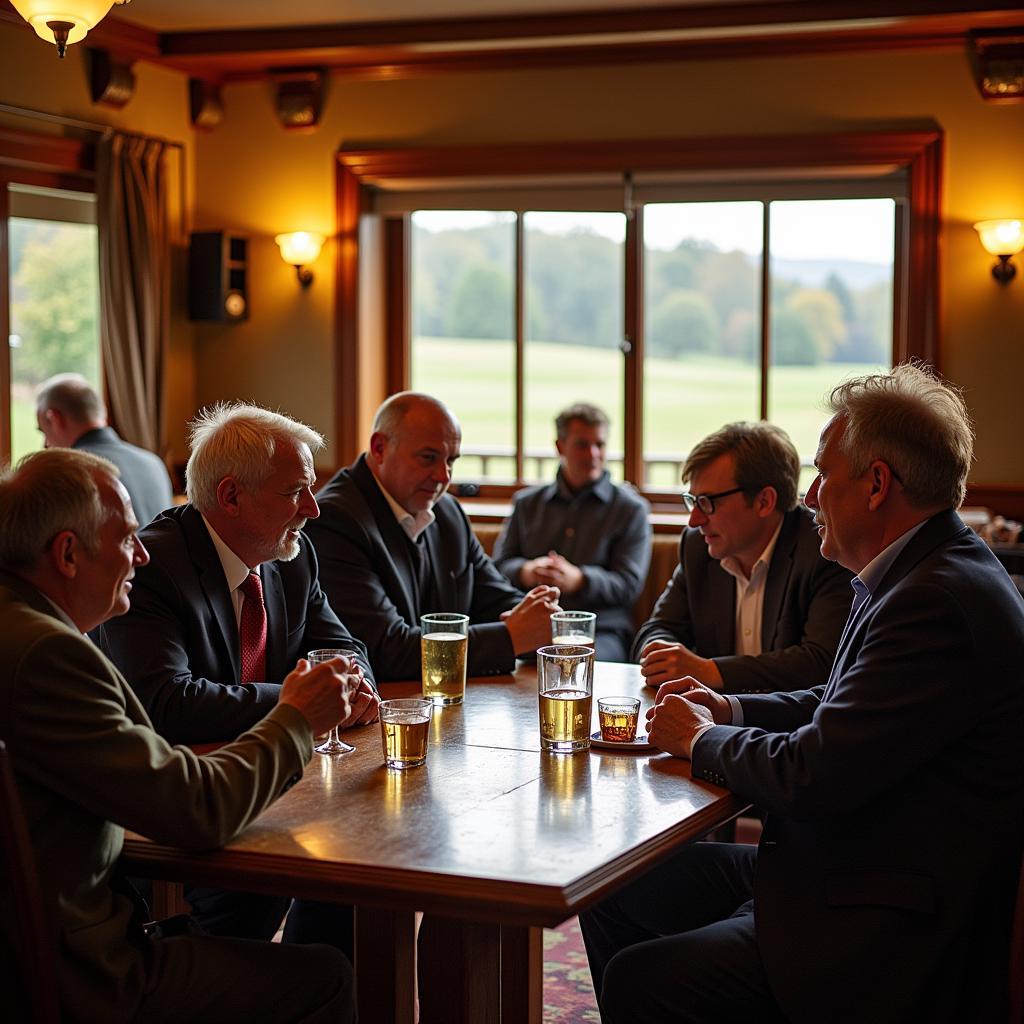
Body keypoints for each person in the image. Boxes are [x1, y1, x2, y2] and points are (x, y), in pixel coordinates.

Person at [581, 364, 1024, 1024]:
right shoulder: (920, 569)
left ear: (876, 484)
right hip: (851, 867)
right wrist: (727, 707)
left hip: (886, 917)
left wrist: (701, 739)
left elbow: (813, 773)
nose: (810, 496)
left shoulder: (932, 600)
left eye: (823, 474)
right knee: (612, 889)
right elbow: (835, 699)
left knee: (643, 978)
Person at [0, 448, 355, 1023]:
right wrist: (295, 719)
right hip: (68, 973)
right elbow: (196, 810)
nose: (140, 555)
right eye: (125, 539)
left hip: (46, 929)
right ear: (67, 554)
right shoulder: (48, 655)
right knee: (324, 977)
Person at [96, 401, 378, 953]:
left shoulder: (292, 555)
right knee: (276, 888)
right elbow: (166, 702)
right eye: (295, 491)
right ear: (230, 496)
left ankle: (309, 975)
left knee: (355, 862)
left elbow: (343, 643)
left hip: (275, 780)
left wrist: (352, 681)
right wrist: (302, 703)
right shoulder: (155, 567)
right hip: (179, 805)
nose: (314, 510)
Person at [305, 391, 560, 681]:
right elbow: (385, 651)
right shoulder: (334, 520)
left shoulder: (448, 512)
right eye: (428, 458)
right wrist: (510, 638)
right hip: (384, 713)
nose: (443, 476)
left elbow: (495, 599)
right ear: (379, 448)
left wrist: (539, 618)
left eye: (451, 460)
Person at [632, 420, 852, 693]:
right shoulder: (699, 546)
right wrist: (662, 655)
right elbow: (658, 628)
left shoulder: (823, 550)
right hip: (712, 721)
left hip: (791, 727)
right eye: (693, 500)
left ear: (764, 501)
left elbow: (821, 662)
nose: (694, 520)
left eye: (708, 502)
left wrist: (709, 671)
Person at [492, 402, 650, 661]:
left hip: (603, 631)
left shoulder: (630, 509)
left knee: (579, 663)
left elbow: (629, 584)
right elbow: (498, 567)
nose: (593, 454)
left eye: (599, 445)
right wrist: (528, 571)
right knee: (496, 655)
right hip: (532, 625)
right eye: (582, 445)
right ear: (560, 447)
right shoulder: (527, 503)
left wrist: (579, 579)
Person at [36, 372, 173, 526]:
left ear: (54, 418)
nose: (46, 445)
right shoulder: (153, 462)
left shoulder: (69, 473)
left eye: (43, 430)